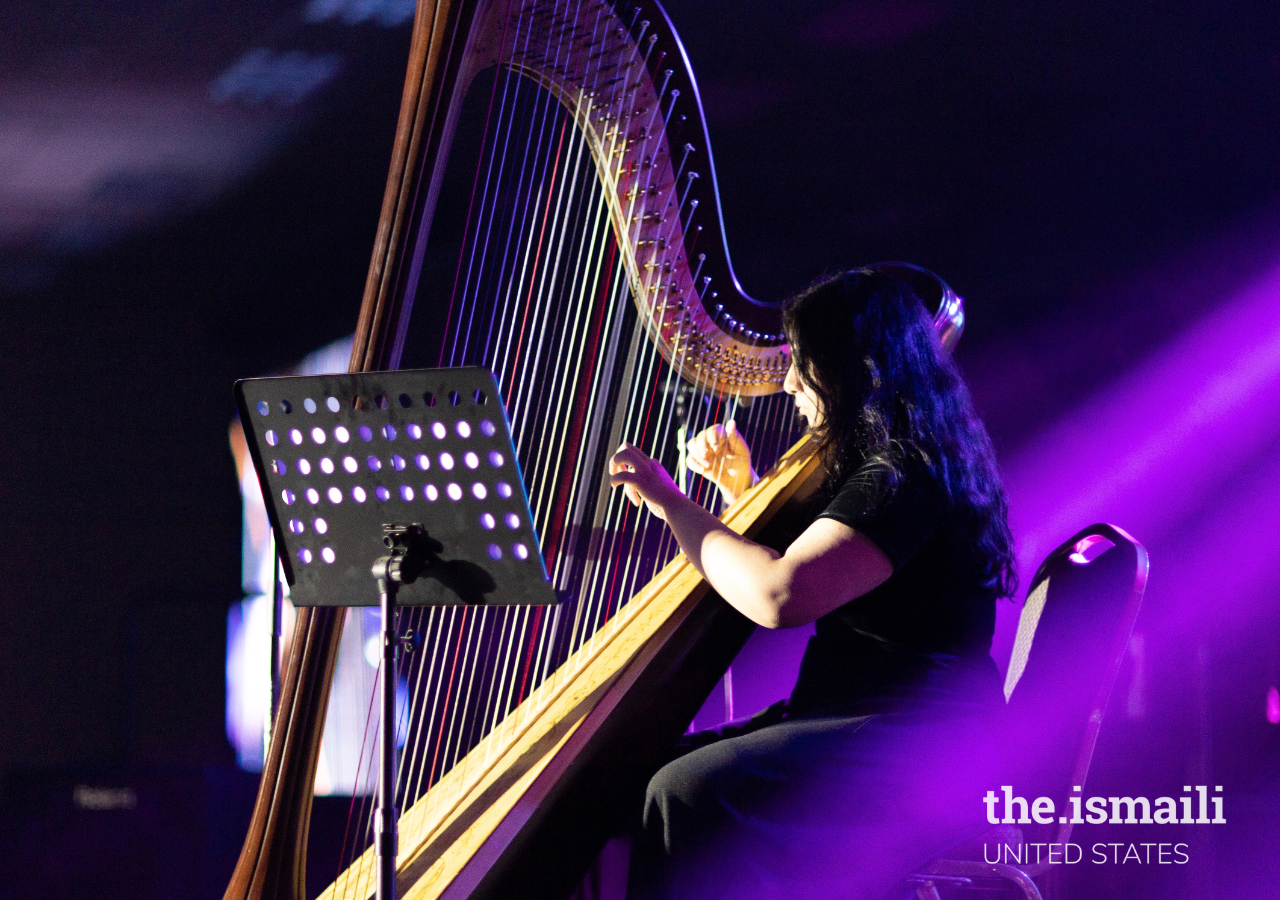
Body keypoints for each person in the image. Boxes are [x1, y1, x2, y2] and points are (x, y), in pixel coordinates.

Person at [608, 268, 1017, 900]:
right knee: (632, 774)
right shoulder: (898, 461)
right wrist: (741, 495)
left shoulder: (900, 474)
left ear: (856, 366)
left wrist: (670, 503)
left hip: (919, 742)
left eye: (806, 362)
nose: (790, 381)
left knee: (683, 793)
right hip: (866, 719)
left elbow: (779, 595)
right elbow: (823, 571)